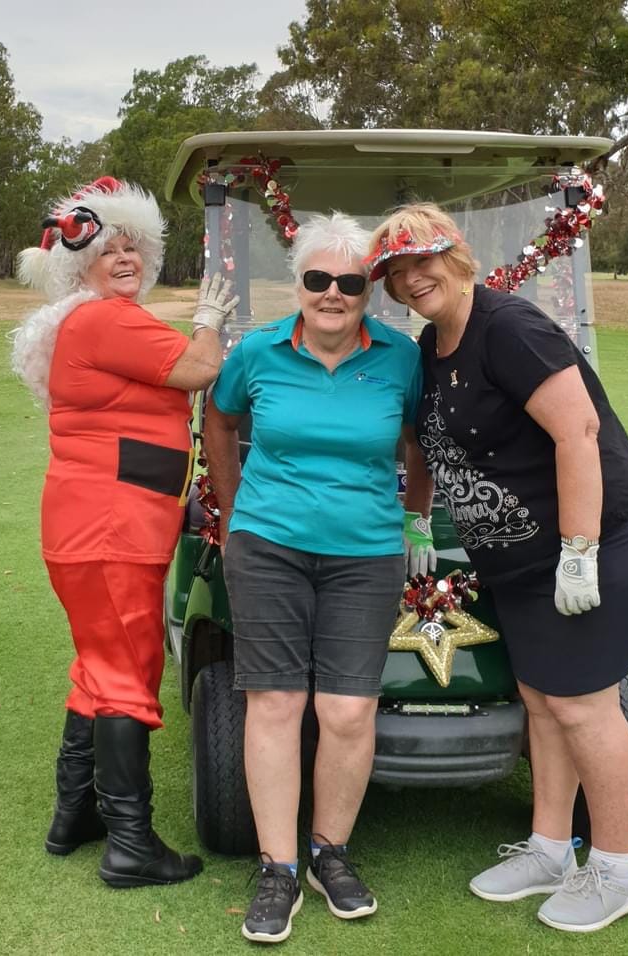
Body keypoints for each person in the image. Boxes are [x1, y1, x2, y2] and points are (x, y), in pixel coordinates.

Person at [366, 202, 628, 934]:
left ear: (455, 258)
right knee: (543, 704)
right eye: (396, 269)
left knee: (583, 705)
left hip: (592, 543)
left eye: (424, 261)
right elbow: (428, 445)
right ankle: (551, 849)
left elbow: (578, 433)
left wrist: (579, 553)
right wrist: (417, 515)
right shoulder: (432, 345)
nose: (413, 278)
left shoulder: (507, 326)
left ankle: (616, 870)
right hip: (520, 561)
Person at [203, 211, 432, 944]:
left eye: (350, 281)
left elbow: (417, 441)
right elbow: (218, 419)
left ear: (371, 289)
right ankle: (276, 867)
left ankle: (328, 852)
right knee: (274, 703)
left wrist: (418, 519)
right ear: (297, 282)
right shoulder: (259, 350)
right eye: (317, 279)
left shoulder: (400, 357)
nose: (333, 293)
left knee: (347, 712)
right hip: (268, 545)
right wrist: (237, 512)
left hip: (364, 553)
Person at [11, 176, 238, 888]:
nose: (126, 257)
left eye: (134, 244)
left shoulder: (87, 319)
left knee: (102, 666)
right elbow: (201, 369)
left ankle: (76, 814)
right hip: (112, 525)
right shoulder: (108, 319)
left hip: (96, 520)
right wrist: (209, 319)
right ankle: (131, 843)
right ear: (81, 264)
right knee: (123, 673)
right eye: (109, 249)